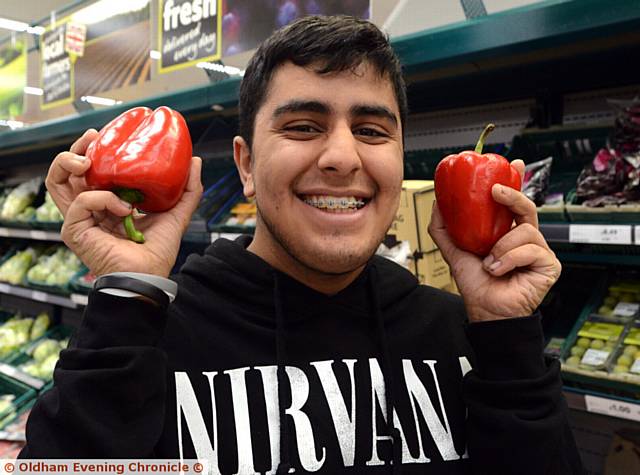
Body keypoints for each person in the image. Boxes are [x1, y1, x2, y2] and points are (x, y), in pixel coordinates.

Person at [20, 15, 584, 475]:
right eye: (304, 127)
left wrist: (506, 330)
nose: (342, 157)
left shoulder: (456, 332)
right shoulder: (154, 334)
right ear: (245, 164)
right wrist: (126, 295)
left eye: (371, 131)